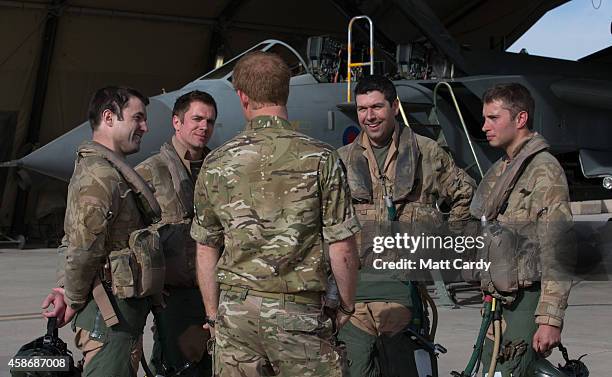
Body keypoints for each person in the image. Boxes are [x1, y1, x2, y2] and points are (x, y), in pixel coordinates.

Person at [191, 51, 361, 377]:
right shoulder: (321, 158)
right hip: (297, 315)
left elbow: (206, 246)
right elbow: (342, 246)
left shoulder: (216, 163)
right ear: (286, 92)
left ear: (242, 97)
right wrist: (347, 305)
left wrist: (214, 315)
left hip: (235, 317)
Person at [336, 74, 475, 377]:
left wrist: (446, 241)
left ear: (395, 106)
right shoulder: (342, 160)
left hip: (404, 296)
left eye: (377, 107)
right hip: (354, 301)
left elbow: (466, 194)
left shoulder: (426, 152)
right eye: (362, 109)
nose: (369, 117)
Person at [41, 86, 163, 377]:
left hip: (118, 317)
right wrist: (71, 298)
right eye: (138, 118)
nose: (145, 127)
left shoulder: (110, 172)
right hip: (106, 318)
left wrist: (64, 290)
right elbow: (82, 249)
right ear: (109, 117)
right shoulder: (99, 176)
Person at [470, 83, 572, 376]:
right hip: (497, 304)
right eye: (485, 118)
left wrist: (550, 318)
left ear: (521, 118)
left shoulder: (544, 170)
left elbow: (559, 246)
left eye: (493, 118)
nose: (485, 126)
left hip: (527, 302)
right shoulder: (504, 170)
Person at [135, 90, 216, 376]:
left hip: (217, 293)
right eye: (196, 119)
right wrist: (152, 281)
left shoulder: (219, 171)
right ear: (177, 122)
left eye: (209, 121)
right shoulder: (149, 172)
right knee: (180, 368)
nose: (203, 127)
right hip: (176, 299)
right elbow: (131, 236)